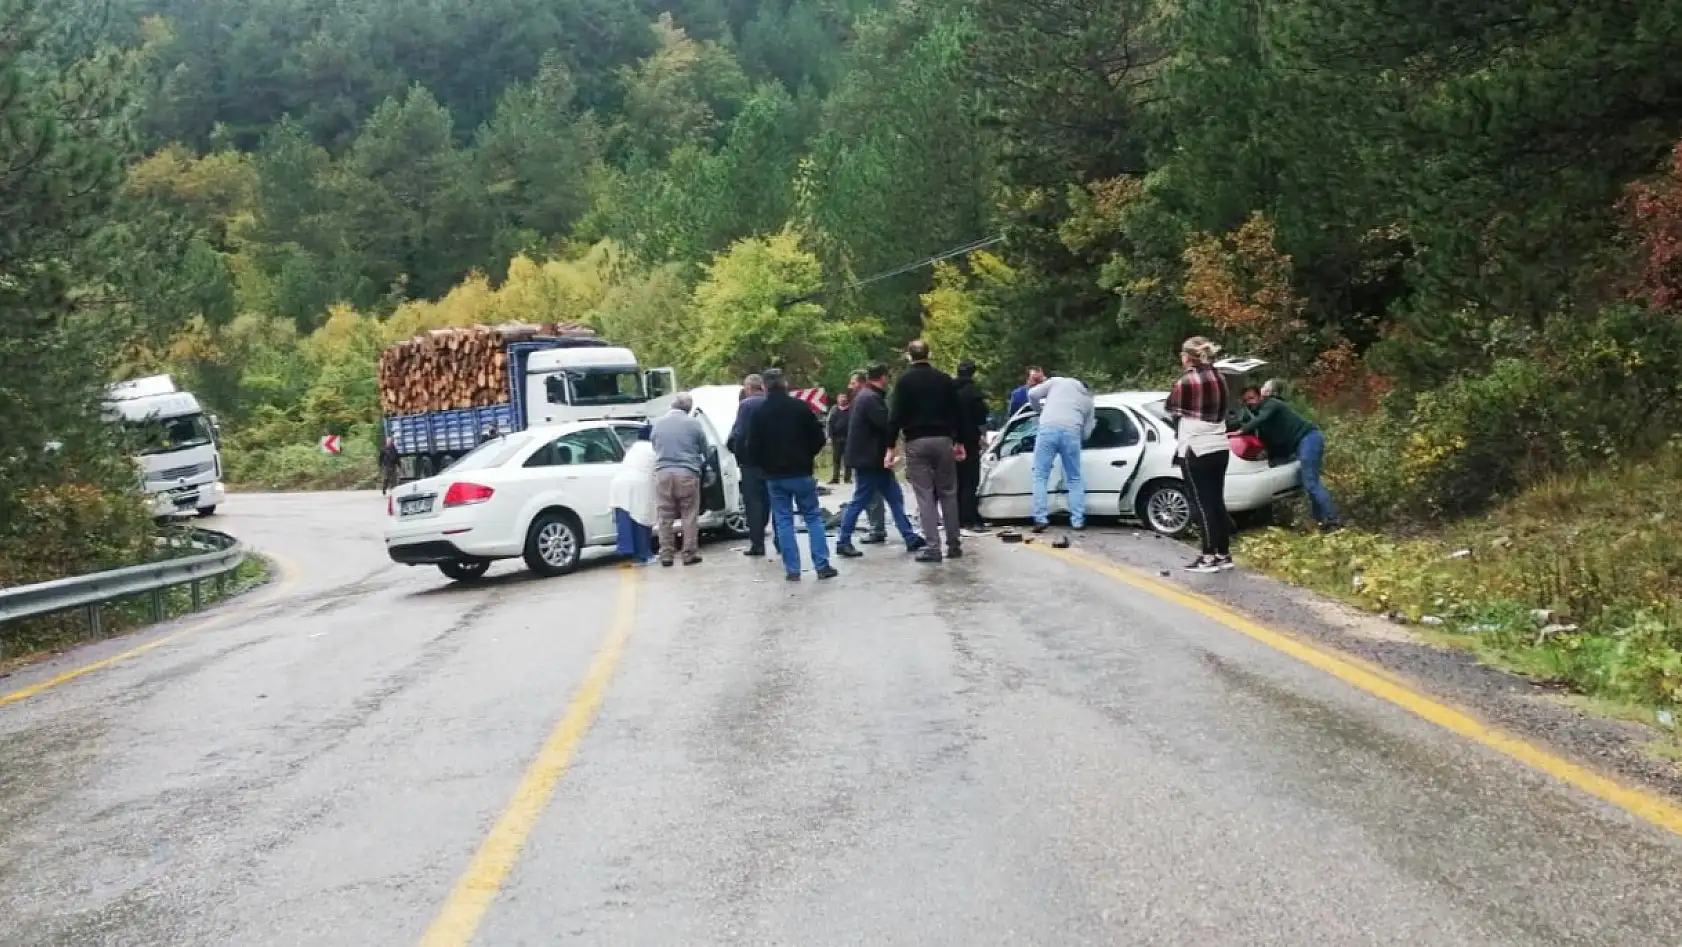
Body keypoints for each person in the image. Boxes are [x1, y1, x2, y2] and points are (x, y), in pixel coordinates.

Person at [746, 369, 838, 581]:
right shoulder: (800, 407)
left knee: (783, 520)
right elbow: (819, 438)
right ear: (785, 384)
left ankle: (792, 569)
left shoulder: (759, 413)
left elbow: (752, 446)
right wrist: (807, 455)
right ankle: (822, 565)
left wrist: (765, 465)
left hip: (774, 477)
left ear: (765, 387)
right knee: (813, 517)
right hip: (801, 472)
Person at [835, 363, 926, 558]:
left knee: (894, 497)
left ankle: (909, 536)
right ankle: (843, 540)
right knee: (860, 500)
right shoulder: (871, 399)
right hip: (870, 460)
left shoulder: (865, 397)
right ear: (883, 377)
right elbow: (886, 425)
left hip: (870, 458)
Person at [886, 339, 964, 562]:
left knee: (925, 495)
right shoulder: (944, 380)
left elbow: (895, 416)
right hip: (943, 440)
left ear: (909, 356)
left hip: (916, 441)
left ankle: (933, 547)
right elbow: (957, 412)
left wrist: (890, 447)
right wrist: (958, 441)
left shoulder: (904, 382)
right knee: (948, 492)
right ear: (929, 355)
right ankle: (954, 544)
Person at [1167, 336, 1232, 573]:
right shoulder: (1220, 377)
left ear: (1188, 357)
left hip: (1195, 447)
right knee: (1216, 501)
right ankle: (1223, 553)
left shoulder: (1186, 381)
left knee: (1201, 504)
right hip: (1220, 445)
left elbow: (1171, 409)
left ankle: (1208, 556)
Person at [1241, 380, 1340, 530]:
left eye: (1251, 398)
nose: (1249, 403)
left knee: (1311, 483)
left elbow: (1261, 419)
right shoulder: (1258, 417)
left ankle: (1333, 520)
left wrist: (1241, 431)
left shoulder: (1271, 404)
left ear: (1260, 396)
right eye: (1246, 400)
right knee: (1310, 483)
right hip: (1300, 444)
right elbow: (1271, 441)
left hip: (1308, 438)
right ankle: (1322, 521)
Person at [1027, 373, 1096, 533]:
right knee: (1074, 478)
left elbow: (1032, 394)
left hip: (1048, 429)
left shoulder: (1057, 382)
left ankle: (1040, 519)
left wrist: (1039, 410)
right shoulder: (1088, 401)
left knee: (1040, 476)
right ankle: (1077, 521)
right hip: (1072, 433)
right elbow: (1087, 434)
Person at [651, 393, 707, 567]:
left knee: (664, 516)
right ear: (688, 408)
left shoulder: (658, 423)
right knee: (689, 515)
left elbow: (654, 446)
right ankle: (689, 554)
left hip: (663, 474)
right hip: (686, 473)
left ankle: (666, 554)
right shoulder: (693, 424)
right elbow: (704, 448)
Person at [727, 373, 774, 557]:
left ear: (748, 388)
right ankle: (781, 541)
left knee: (753, 503)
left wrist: (739, 454)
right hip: (772, 462)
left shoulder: (746, 406)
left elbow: (739, 434)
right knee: (773, 501)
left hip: (750, 463)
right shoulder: (771, 402)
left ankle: (757, 544)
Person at [846, 369, 888, 543]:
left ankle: (874, 529)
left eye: (854, 383)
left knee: (868, 496)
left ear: (863, 382)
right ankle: (881, 528)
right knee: (884, 495)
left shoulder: (865, 399)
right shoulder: (865, 399)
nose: (850, 386)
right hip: (870, 455)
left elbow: (881, 425)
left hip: (867, 456)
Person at [609, 425, 656, 565]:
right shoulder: (653, 450)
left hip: (618, 484)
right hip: (637, 485)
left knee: (626, 520)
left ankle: (630, 552)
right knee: (641, 519)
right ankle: (644, 555)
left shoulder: (633, 449)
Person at [953, 361, 991, 534]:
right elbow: (981, 415)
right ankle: (968, 517)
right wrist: (981, 434)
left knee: (956, 479)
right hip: (969, 440)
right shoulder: (973, 392)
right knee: (970, 479)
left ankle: (955, 516)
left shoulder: (948, 390)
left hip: (950, 439)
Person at [826, 391, 853, 485]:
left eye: (844, 397)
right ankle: (835, 478)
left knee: (848, 459)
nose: (843, 399)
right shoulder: (834, 409)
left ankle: (847, 478)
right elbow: (829, 423)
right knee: (836, 459)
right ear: (837, 399)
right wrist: (829, 436)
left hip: (848, 438)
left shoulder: (851, 409)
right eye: (841, 397)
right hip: (836, 438)